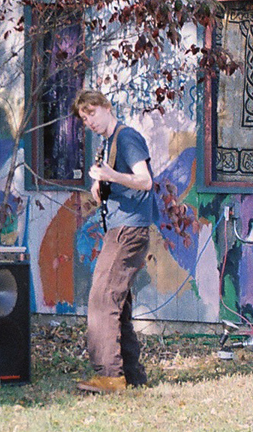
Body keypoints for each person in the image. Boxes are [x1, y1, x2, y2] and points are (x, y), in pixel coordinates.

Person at [71, 89, 157, 393]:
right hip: (121, 229)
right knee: (117, 304)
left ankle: (109, 375)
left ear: (107, 108)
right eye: (84, 118)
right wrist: (102, 182)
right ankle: (132, 375)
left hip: (128, 231)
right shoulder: (108, 143)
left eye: (92, 113)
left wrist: (112, 175)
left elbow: (145, 181)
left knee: (102, 298)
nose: (89, 121)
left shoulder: (127, 137)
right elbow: (119, 177)